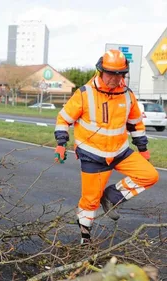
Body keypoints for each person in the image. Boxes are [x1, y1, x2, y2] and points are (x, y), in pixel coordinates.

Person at [54, 49, 159, 244]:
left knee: (150, 175)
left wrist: (142, 148)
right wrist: (61, 143)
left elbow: (135, 123)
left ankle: (111, 196)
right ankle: (85, 241)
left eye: (119, 74)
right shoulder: (84, 93)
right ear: (101, 71)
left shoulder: (128, 95)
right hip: (93, 156)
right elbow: (63, 119)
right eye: (111, 73)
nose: (114, 78)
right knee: (89, 202)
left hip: (120, 151)